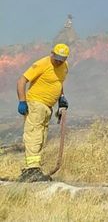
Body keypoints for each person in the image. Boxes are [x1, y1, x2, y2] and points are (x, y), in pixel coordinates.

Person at [16, 44, 70, 182]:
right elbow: (22, 80)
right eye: (56, 58)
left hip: (48, 108)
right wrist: (22, 101)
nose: (58, 61)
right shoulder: (42, 63)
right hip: (35, 103)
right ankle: (32, 169)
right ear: (52, 53)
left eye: (61, 59)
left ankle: (34, 169)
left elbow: (59, 83)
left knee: (42, 137)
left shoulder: (64, 67)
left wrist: (61, 99)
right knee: (34, 134)